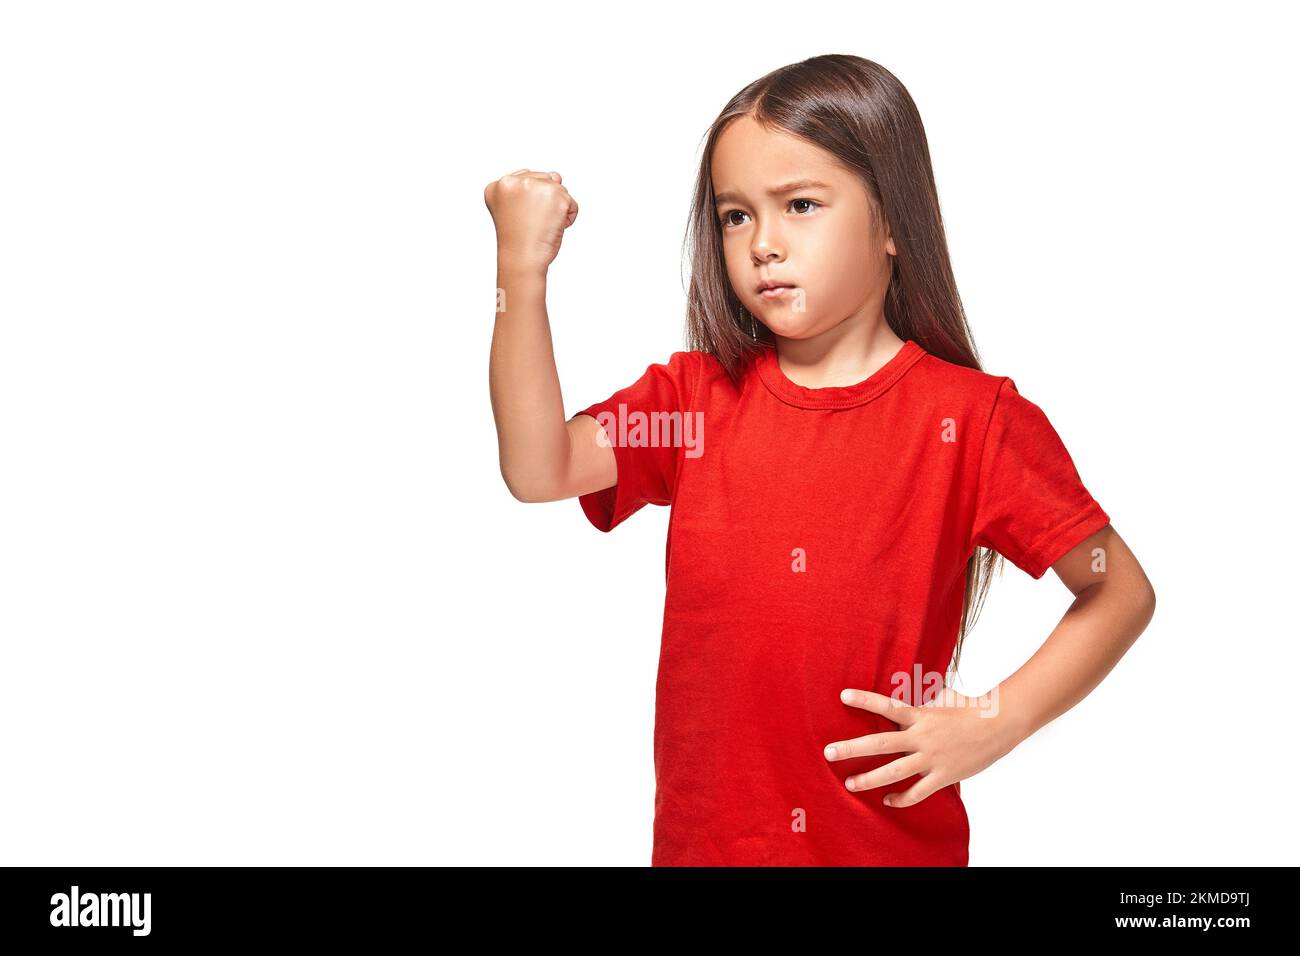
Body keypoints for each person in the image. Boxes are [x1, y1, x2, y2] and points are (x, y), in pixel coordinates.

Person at [485, 54, 1156, 866]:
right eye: (736, 216)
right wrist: (521, 275)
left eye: (800, 205)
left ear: (892, 223)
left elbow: (1117, 588)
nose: (763, 243)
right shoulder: (693, 404)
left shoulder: (974, 423)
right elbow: (539, 467)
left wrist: (995, 722)